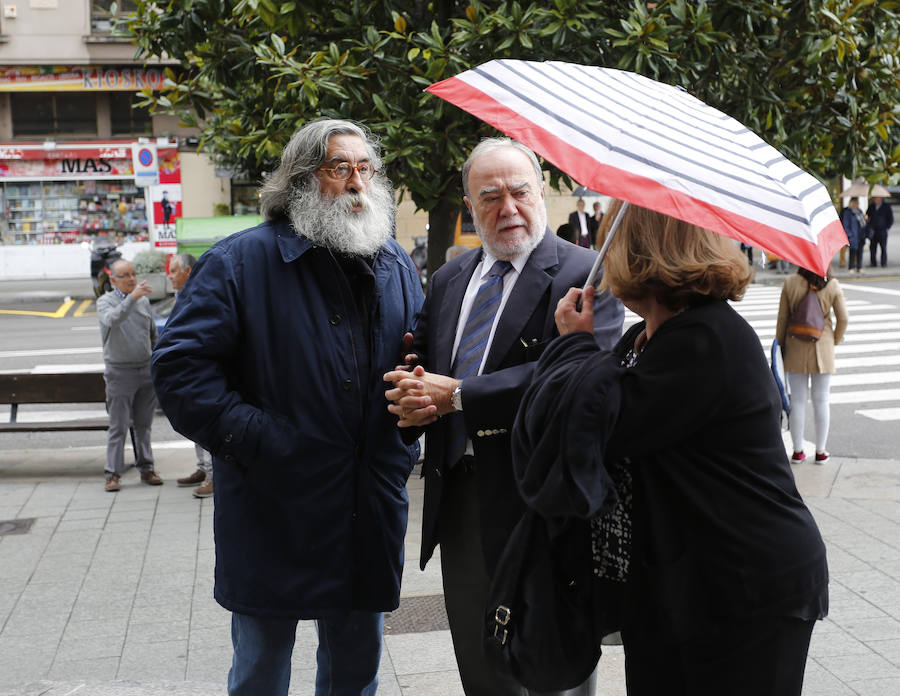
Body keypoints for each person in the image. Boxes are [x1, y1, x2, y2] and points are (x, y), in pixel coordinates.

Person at [151, 119, 424, 696]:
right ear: (302, 179)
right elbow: (179, 370)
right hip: (273, 505)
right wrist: (261, 441)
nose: (357, 183)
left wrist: (406, 436)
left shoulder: (395, 263)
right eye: (339, 168)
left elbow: (416, 355)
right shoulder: (239, 262)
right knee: (260, 671)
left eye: (365, 169)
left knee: (356, 670)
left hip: (367, 508)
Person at [513, 200, 828, 696]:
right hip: (681, 580)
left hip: (743, 586)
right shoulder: (649, 336)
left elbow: (594, 426)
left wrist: (576, 343)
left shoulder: (706, 339)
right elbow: (572, 421)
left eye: (613, 238)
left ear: (638, 250)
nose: (604, 248)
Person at [383, 137, 624, 696]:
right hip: (462, 499)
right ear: (469, 206)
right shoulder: (449, 278)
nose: (508, 208)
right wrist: (416, 388)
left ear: (542, 191)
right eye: (489, 196)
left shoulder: (586, 275)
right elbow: (434, 367)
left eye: (519, 191)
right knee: (480, 660)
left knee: (551, 664)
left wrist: (461, 395)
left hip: (543, 500)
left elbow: (578, 382)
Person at [97, 259, 163, 492]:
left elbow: (152, 335)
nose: (131, 279)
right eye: (125, 275)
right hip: (120, 372)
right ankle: (112, 474)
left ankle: (147, 468)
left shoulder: (143, 301)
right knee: (118, 426)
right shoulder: (105, 302)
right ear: (113, 280)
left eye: (133, 273)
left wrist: (156, 361)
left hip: (145, 370)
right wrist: (132, 298)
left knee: (144, 425)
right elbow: (112, 320)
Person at [776, 267, 848, 463]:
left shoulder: (790, 282)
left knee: (797, 400)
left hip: (795, 346)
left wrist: (780, 346)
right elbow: (843, 318)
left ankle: (798, 451)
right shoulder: (832, 284)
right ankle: (821, 451)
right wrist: (833, 340)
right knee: (822, 399)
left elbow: (782, 319)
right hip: (823, 347)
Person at [165, 252, 215, 498]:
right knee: (195, 423)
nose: (170, 276)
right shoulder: (183, 295)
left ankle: (213, 476)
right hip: (187, 371)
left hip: (200, 371)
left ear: (187, 272)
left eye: (174, 271)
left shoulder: (200, 294)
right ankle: (203, 468)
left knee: (205, 421)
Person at [841, 197, 866, 274]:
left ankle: (859, 267)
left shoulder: (860, 211)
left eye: (858, 203)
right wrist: (850, 235)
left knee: (860, 252)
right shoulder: (848, 212)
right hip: (853, 235)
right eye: (856, 203)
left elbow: (863, 223)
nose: (858, 204)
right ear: (852, 203)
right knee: (852, 252)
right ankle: (851, 267)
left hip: (861, 235)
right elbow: (846, 225)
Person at [866, 196, 893, 267]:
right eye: (875, 198)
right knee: (872, 248)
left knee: (883, 248)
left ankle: (883, 263)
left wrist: (887, 227)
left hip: (882, 231)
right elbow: (867, 216)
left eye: (877, 198)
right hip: (873, 231)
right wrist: (869, 224)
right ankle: (873, 263)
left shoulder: (886, 206)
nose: (875, 200)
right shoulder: (871, 206)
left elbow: (891, 219)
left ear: (881, 199)